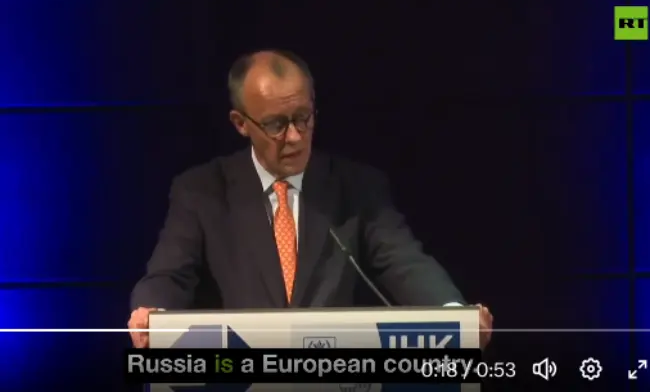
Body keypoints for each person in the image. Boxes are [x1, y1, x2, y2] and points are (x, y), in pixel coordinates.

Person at [128, 49, 493, 349]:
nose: (295, 137)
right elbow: (170, 273)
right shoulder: (202, 191)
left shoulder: (356, 187)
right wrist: (152, 313)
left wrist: (454, 315)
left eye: (303, 117)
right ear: (241, 123)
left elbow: (404, 261)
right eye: (276, 124)